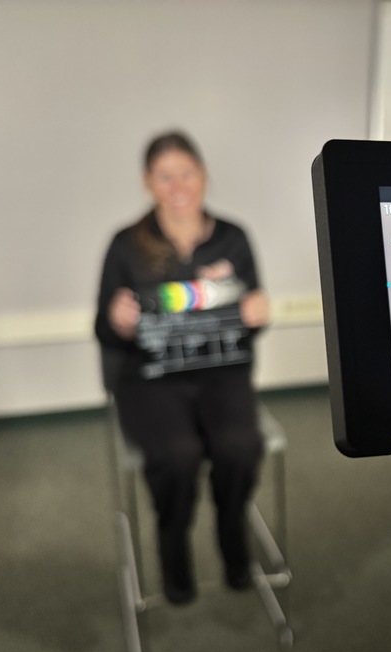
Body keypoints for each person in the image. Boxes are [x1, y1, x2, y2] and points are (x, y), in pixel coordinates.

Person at [95, 131, 270, 604]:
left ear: (204, 175)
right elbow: (104, 331)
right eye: (165, 176)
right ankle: (173, 544)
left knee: (239, 447)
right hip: (149, 378)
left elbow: (247, 321)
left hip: (220, 373)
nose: (178, 185)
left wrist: (256, 313)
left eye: (187, 173)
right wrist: (118, 321)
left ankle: (232, 531)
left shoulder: (233, 239)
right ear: (147, 182)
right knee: (178, 454)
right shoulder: (125, 246)